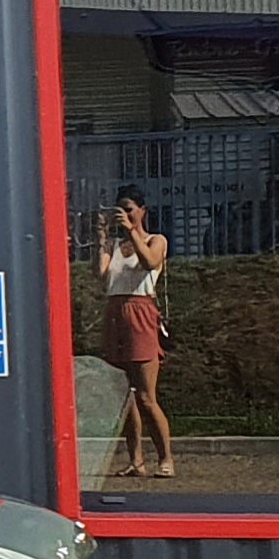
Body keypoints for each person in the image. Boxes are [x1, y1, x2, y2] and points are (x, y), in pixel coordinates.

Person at [99, 186, 174, 479]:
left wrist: (132, 231)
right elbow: (101, 274)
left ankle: (166, 457)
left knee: (145, 396)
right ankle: (136, 460)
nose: (125, 214)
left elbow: (150, 263)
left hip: (141, 311)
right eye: (121, 209)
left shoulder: (156, 240)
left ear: (142, 210)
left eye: (130, 208)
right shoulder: (115, 245)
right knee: (124, 396)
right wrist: (101, 237)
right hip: (115, 313)